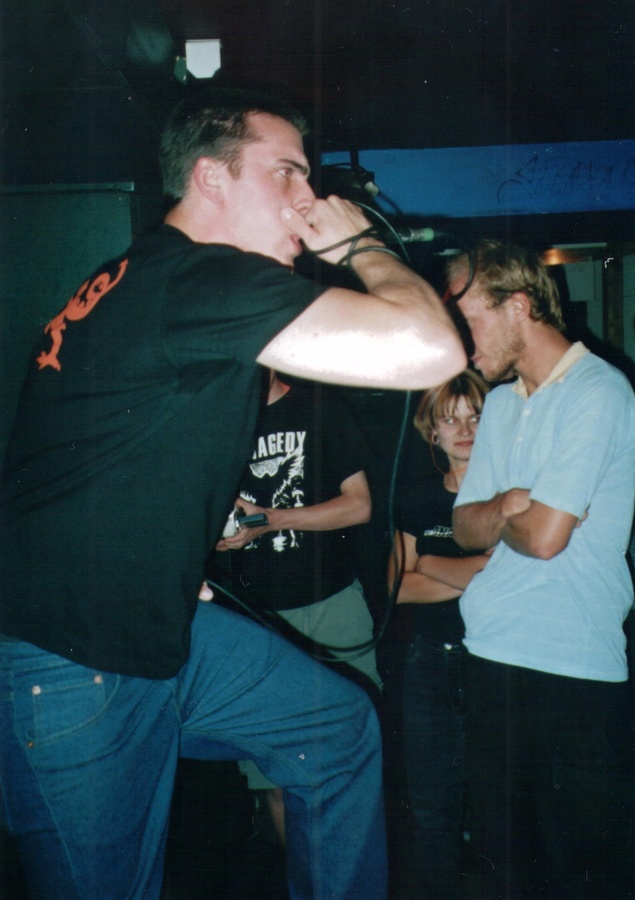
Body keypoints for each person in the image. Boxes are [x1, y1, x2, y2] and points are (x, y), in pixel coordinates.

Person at [0, 87, 466, 899]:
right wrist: (360, 245)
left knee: (333, 728)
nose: (306, 197)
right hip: (73, 652)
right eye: (285, 171)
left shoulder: (138, 276)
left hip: (151, 618)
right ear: (211, 178)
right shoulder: (198, 278)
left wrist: (167, 553)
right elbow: (429, 351)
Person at [448, 239, 635, 899]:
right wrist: (508, 504)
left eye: (469, 320)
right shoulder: (500, 403)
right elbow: (463, 527)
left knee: (579, 873)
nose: (461, 345)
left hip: (571, 664)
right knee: (503, 870)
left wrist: (503, 517)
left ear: (518, 306)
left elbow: (548, 538)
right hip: (489, 652)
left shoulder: (598, 392)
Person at [210, 368, 381, 846]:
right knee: (275, 779)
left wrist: (271, 520)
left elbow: (359, 505)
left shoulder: (319, 407)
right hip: (256, 619)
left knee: (350, 762)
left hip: (331, 607)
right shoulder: (216, 421)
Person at [387, 369, 489, 900]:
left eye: (475, 417)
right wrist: (471, 572)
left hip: (493, 661)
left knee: (497, 806)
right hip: (427, 661)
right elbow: (396, 589)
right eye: (451, 420)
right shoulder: (417, 496)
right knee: (432, 810)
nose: (464, 430)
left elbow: (504, 573)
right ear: (432, 431)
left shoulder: (502, 495)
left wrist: (428, 562)